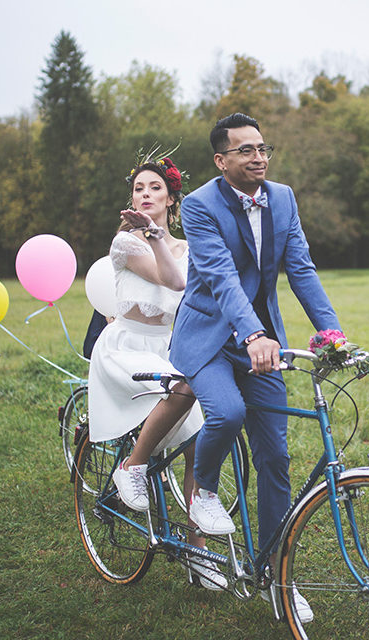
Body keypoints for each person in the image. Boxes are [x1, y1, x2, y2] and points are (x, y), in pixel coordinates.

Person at [169, 112, 341, 622]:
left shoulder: (283, 197)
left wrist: (332, 334)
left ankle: (275, 575)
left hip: (264, 343)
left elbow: (302, 269)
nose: (258, 156)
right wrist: (253, 334)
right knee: (225, 413)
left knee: (276, 457)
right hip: (211, 337)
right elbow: (221, 277)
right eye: (245, 150)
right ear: (221, 161)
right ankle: (202, 492)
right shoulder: (199, 206)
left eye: (263, 148)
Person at [87, 153, 226, 590]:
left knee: (197, 441)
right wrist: (152, 235)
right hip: (126, 348)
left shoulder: (186, 245)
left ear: (171, 198)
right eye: (138, 189)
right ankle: (132, 466)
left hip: (165, 349)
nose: (145, 194)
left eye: (155, 188)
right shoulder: (126, 243)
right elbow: (175, 281)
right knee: (185, 389)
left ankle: (197, 550)